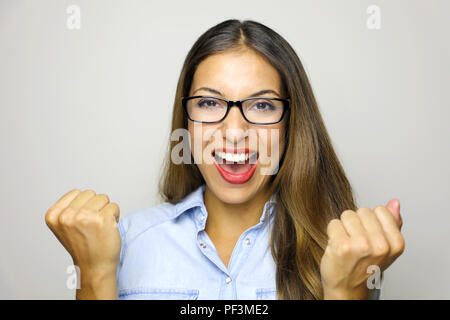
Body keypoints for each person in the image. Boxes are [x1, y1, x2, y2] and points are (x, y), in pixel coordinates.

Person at [45, 19, 404, 300]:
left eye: (262, 105)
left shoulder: (343, 253)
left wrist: (346, 293)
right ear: (186, 119)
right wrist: (92, 277)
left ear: (291, 126)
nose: (234, 131)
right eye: (209, 103)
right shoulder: (122, 243)